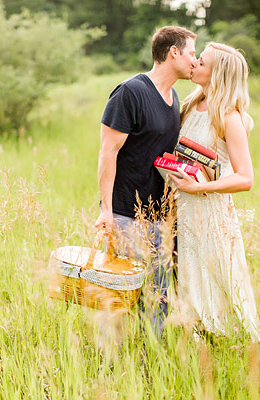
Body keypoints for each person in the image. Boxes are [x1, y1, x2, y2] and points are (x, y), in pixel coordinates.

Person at [94, 26, 197, 339]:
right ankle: (110, 363)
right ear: (173, 52)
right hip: (127, 214)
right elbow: (107, 153)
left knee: (159, 297)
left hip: (160, 216)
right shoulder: (131, 92)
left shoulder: (174, 96)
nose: (195, 59)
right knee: (122, 295)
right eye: (192, 52)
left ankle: (150, 357)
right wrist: (107, 211)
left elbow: (160, 154)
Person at [168, 42, 260, 341]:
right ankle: (196, 339)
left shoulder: (229, 117)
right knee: (189, 276)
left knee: (219, 277)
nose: (194, 63)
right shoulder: (189, 104)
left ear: (218, 74)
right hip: (182, 208)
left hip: (211, 211)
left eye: (202, 62)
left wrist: (199, 187)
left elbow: (245, 178)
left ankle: (231, 342)